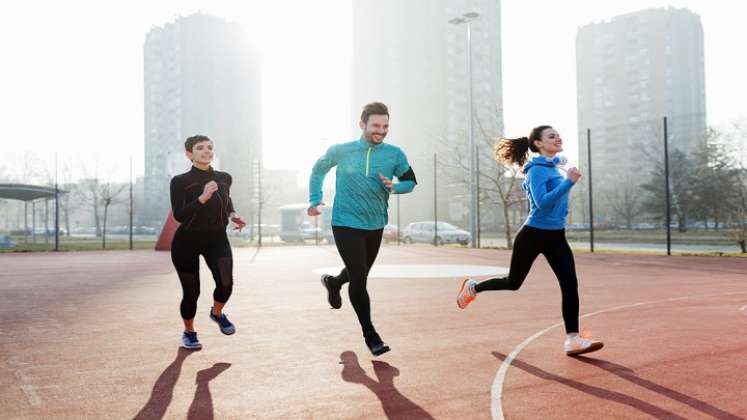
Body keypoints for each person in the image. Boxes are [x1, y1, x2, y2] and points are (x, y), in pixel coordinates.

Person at [456, 125, 603, 356]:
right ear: (538, 143)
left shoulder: (555, 168)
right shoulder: (536, 171)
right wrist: (569, 182)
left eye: (558, 135)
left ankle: (572, 340)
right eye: (551, 136)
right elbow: (542, 202)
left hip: (557, 236)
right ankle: (473, 287)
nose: (558, 138)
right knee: (513, 282)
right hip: (533, 234)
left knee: (569, 284)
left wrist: (565, 178)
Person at [308, 102, 417, 356]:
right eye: (376, 125)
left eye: (386, 126)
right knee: (360, 278)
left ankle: (334, 282)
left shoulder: (395, 154)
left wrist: (396, 187)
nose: (381, 130)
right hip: (345, 222)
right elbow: (318, 170)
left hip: (375, 223)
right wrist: (315, 199)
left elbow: (411, 181)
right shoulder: (341, 150)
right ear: (362, 125)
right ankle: (371, 335)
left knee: (360, 271)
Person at [170, 134, 246, 350]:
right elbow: (179, 215)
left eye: (210, 147)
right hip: (187, 241)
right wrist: (202, 197)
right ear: (189, 154)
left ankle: (217, 313)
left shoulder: (224, 177)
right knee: (192, 292)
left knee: (226, 283)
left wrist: (233, 215)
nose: (206, 151)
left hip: (216, 238)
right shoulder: (180, 182)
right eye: (200, 148)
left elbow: (226, 201)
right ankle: (189, 332)